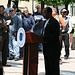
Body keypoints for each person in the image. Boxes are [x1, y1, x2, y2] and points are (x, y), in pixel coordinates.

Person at [42, 7, 60, 75]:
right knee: (48, 65)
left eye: (44, 12)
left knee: (53, 66)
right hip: (46, 47)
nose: (43, 14)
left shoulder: (54, 22)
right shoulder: (45, 22)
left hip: (53, 48)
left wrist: (45, 38)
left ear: (49, 13)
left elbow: (55, 35)